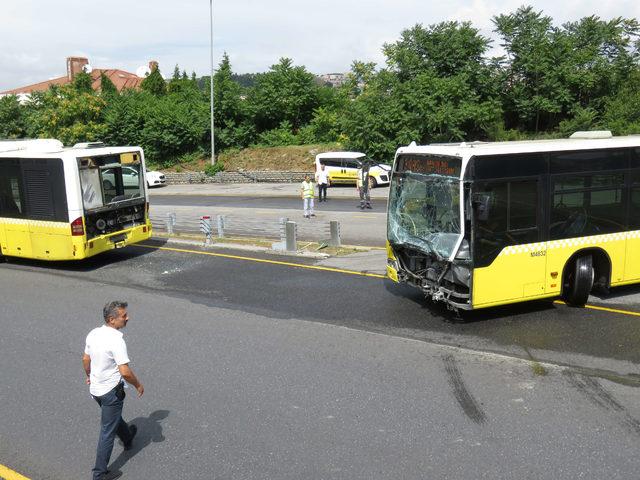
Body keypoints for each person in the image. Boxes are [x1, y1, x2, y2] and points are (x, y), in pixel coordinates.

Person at [83, 301, 144, 480]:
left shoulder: (94, 333)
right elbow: (125, 371)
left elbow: (85, 359)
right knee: (107, 431)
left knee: (112, 417)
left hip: (95, 389)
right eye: (124, 316)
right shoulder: (116, 340)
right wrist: (138, 385)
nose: (127, 318)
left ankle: (127, 437)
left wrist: (89, 374)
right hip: (110, 390)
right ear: (112, 319)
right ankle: (99, 474)